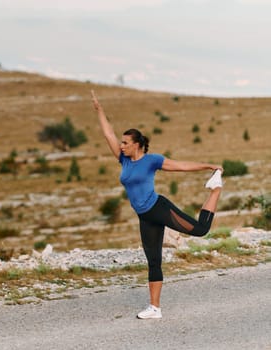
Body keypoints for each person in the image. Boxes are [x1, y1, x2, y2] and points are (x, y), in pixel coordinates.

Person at [90, 90, 223, 319]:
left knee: (200, 230)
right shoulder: (123, 160)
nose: (121, 146)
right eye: (121, 142)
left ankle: (216, 189)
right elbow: (107, 134)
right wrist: (99, 110)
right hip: (144, 216)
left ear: (137, 145)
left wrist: (207, 166)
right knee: (153, 260)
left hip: (158, 208)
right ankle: (155, 308)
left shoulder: (152, 161)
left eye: (126, 143)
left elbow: (180, 166)